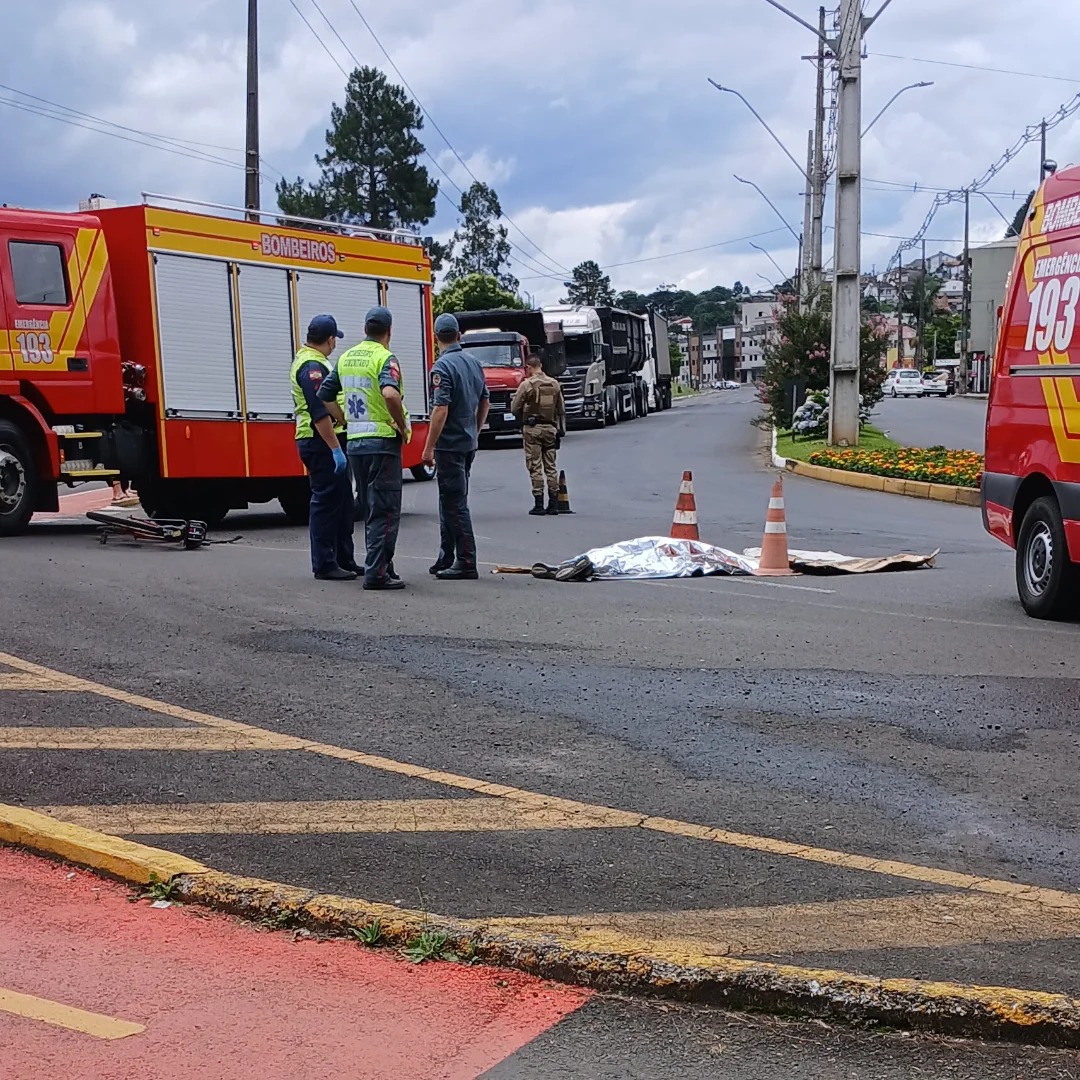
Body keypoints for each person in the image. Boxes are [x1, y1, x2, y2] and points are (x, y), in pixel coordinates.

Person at [318, 306, 409, 591]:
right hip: (382, 443)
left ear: (364, 329)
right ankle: (378, 573)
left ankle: (380, 566)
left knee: (371, 508)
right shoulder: (385, 358)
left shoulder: (346, 357)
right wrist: (401, 423)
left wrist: (344, 419)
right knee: (386, 510)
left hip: (356, 444)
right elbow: (390, 393)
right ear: (389, 332)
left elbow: (324, 395)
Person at [422, 313, 489, 581]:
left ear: (436, 337)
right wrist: (477, 429)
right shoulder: (474, 363)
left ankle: (466, 560)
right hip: (467, 442)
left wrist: (429, 447)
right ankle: (446, 555)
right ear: (458, 335)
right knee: (449, 499)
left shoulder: (442, 368)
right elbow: (485, 400)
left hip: (449, 445)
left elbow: (440, 410)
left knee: (454, 503)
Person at [291, 313, 357, 581]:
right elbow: (319, 412)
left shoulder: (315, 362)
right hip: (320, 442)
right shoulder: (312, 367)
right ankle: (325, 564)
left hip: (327, 441)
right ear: (330, 340)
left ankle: (344, 560)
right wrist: (335, 449)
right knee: (326, 504)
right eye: (334, 340)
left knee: (342, 504)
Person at [511, 348, 566, 515]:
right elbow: (561, 409)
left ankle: (539, 504)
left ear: (528, 367)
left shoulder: (526, 385)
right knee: (551, 466)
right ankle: (554, 503)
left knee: (535, 466)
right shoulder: (555, 384)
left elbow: (514, 408)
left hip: (533, 430)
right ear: (540, 365)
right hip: (550, 428)